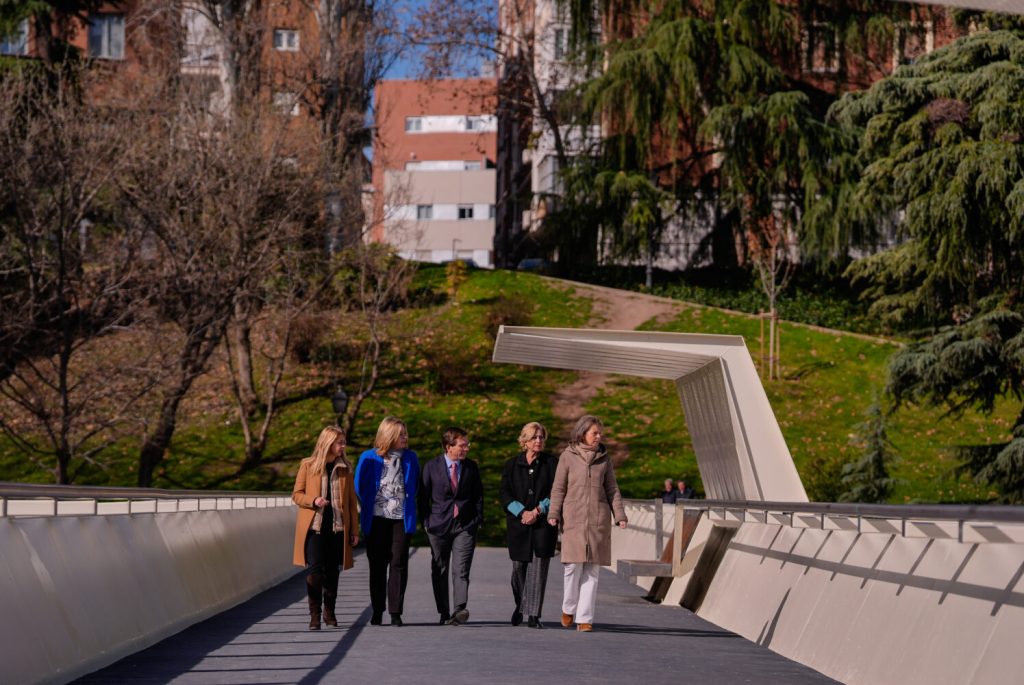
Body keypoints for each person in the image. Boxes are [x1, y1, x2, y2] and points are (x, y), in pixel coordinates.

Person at [548, 415, 627, 633]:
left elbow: (612, 489)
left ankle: (585, 618)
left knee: (592, 569)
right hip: (573, 519)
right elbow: (558, 488)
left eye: (600, 433)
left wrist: (619, 515)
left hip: (597, 520)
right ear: (583, 433)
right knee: (573, 567)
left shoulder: (604, 458)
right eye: (595, 433)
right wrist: (554, 513)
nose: (599, 437)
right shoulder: (568, 456)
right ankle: (568, 607)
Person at [292, 426, 359, 631]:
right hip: (315, 528)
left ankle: (330, 612)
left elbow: (351, 503)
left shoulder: (345, 468)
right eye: (340, 442)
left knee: (332, 571)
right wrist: (314, 500)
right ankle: (314, 615)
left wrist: (355, 531)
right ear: (327, 443)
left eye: (343, 442)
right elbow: (296, 494)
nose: (343, 446)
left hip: (337, 528)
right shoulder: (308, 465)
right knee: (315, 570)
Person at [355, 417, 420, 627]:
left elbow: (415, 486)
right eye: (401, 434)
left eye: (405, 433)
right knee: (377, 565)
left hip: (401, 518)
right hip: (376, 518)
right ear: (389, 435)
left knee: (398, 563)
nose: (405, 437)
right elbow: (359, 486)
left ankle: (395, 611)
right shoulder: (368, 457)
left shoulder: (411, 458)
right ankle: (377, 610)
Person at [420, 426, 483, 626]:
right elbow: (422, 497)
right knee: (440, 568)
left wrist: (477, 520)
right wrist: (426, 522)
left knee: (461, 568)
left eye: (467, 445)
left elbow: (478, 496)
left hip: (465, 525)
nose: (466, 449)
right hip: (438, 525)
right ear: (449, 447)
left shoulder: (471, 467)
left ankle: (459, 609)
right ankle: (444, 611)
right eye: (462, 445)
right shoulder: (431, 467)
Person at [500, 421, 558, 629]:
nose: (539, 441)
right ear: (525, 441)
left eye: (541, 437)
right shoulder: (511, 465)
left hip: (543, 524)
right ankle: (521, 605)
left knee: (538, 568)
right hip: (519, 524)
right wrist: (521, 512)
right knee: (519, 568)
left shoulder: (552, 463)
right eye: (534, 437)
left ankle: (533, 615)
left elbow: (557, 491)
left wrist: (538, 510)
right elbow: (504, 494)